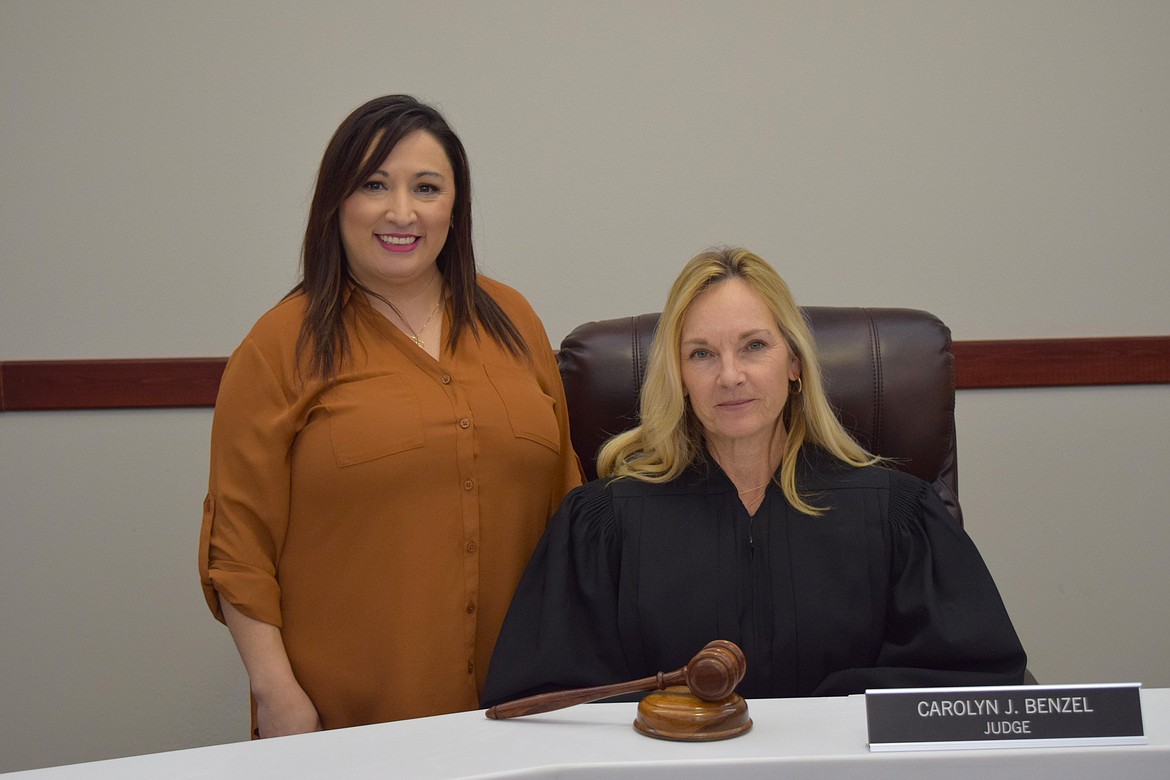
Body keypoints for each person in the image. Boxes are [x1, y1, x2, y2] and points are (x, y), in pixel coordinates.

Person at [482, 246, 1026, 706]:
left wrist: (821, 720)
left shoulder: (898, 514)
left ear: (794, 363)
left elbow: (975, 680)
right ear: (679, 377)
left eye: (754, 346)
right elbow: (544, 698)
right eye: (701, 354)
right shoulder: (602, 524)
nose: (730, 376)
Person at [198, 95, 582, 737]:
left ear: (453, 208)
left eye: (426, 187)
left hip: (520, 712)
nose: (401, 211)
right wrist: (278, 698)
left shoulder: (514, 321)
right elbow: (238, 546)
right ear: (336, 203)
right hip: (349, 722)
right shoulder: (278, 345)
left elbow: (568, 502)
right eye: (374, 184)